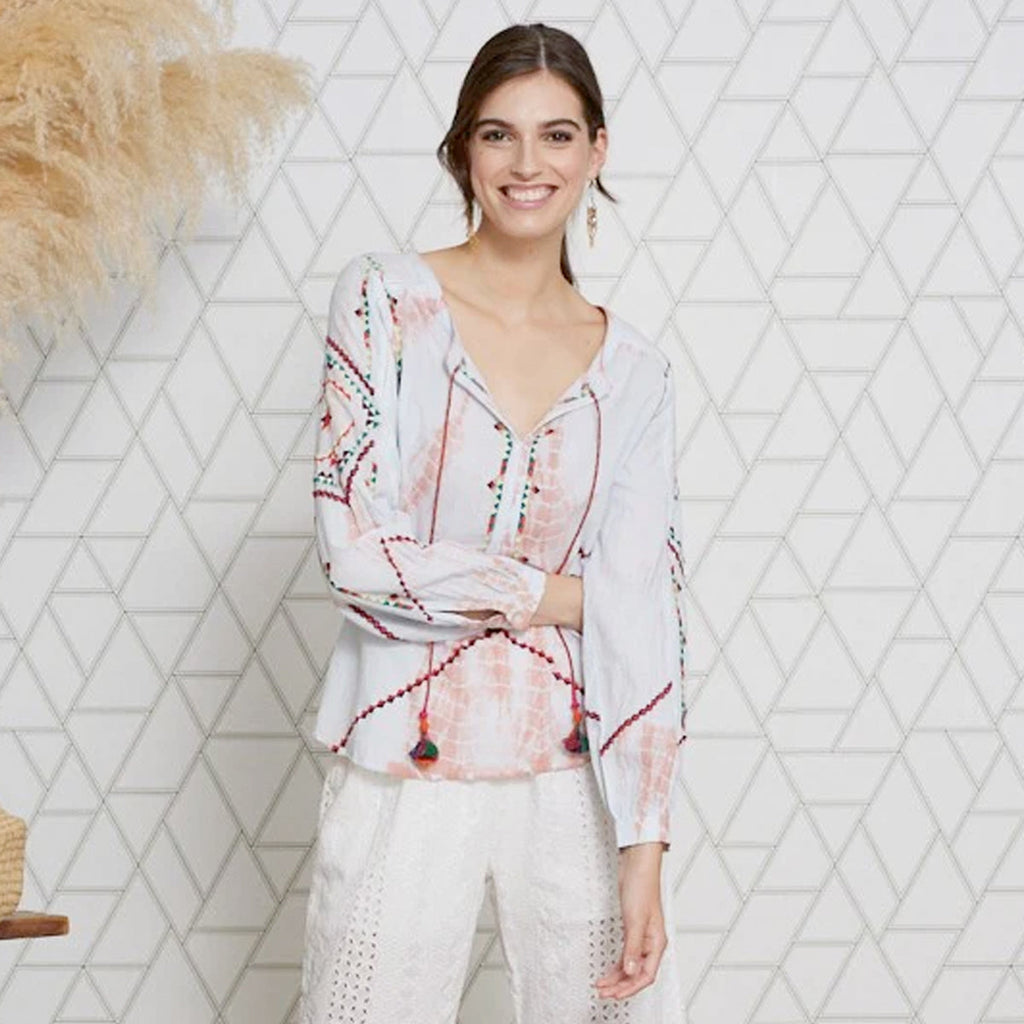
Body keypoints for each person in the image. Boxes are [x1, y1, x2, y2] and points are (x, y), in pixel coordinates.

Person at [298, 21, 689, 1024]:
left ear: (596, 152)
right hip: (405, 754)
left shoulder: (635, 370)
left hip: (575, 770)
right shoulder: (384, 302)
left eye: (557, 135)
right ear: (462, 150)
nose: (527, 163)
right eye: (497, 133)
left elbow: (647, 617)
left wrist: (643, 845)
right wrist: (563, 597)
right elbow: (356, 557)